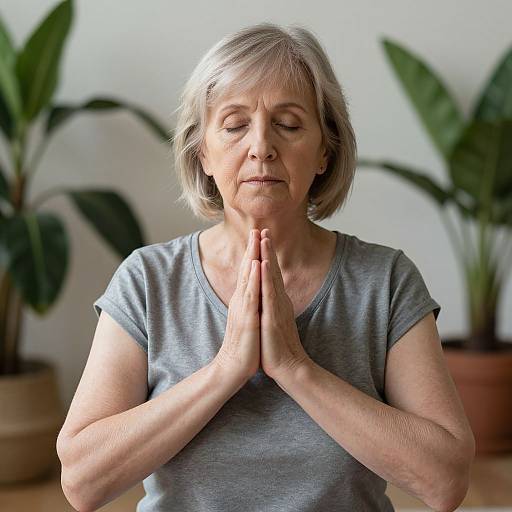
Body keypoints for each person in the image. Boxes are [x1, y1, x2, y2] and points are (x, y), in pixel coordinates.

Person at [56, 22, 475, 512]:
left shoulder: (385, 282)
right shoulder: (147, 281)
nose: (261, 147)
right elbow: (82, 481)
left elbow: (446, 480)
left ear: (325, 150)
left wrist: (296, 368)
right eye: (234, 125)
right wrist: (225, 371)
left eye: (290, 124)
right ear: (202, 153)